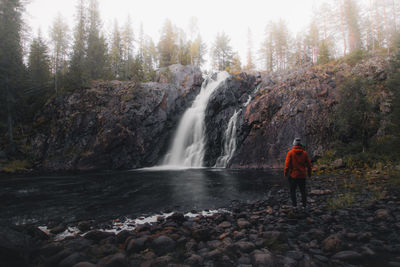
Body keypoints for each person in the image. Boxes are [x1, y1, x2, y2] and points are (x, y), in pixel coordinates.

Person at [284, 138, 312, 209]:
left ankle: (294, 206)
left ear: (293, 145)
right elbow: (309, 165)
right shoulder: (304, 153)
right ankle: (304, 206)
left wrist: (285, 174)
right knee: (303, 191)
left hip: (293, 176)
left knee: (292, 191)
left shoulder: (290, 153)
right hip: (302, 175)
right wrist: (309, 174)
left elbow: (287, 165)